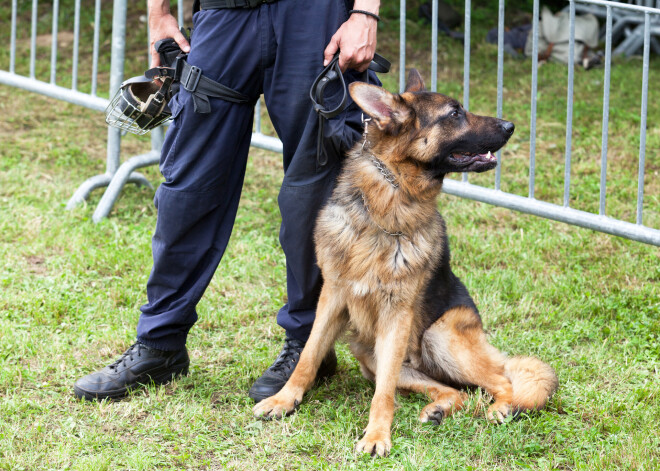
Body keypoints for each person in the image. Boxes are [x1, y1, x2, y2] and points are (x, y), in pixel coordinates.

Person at [73, 0, 381, 402]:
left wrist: (365, 13)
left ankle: (310, 346)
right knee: (187, 188)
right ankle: (159, 345)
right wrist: (159, 13)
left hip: (311, 13)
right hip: (223, 14)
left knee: (312, 193)